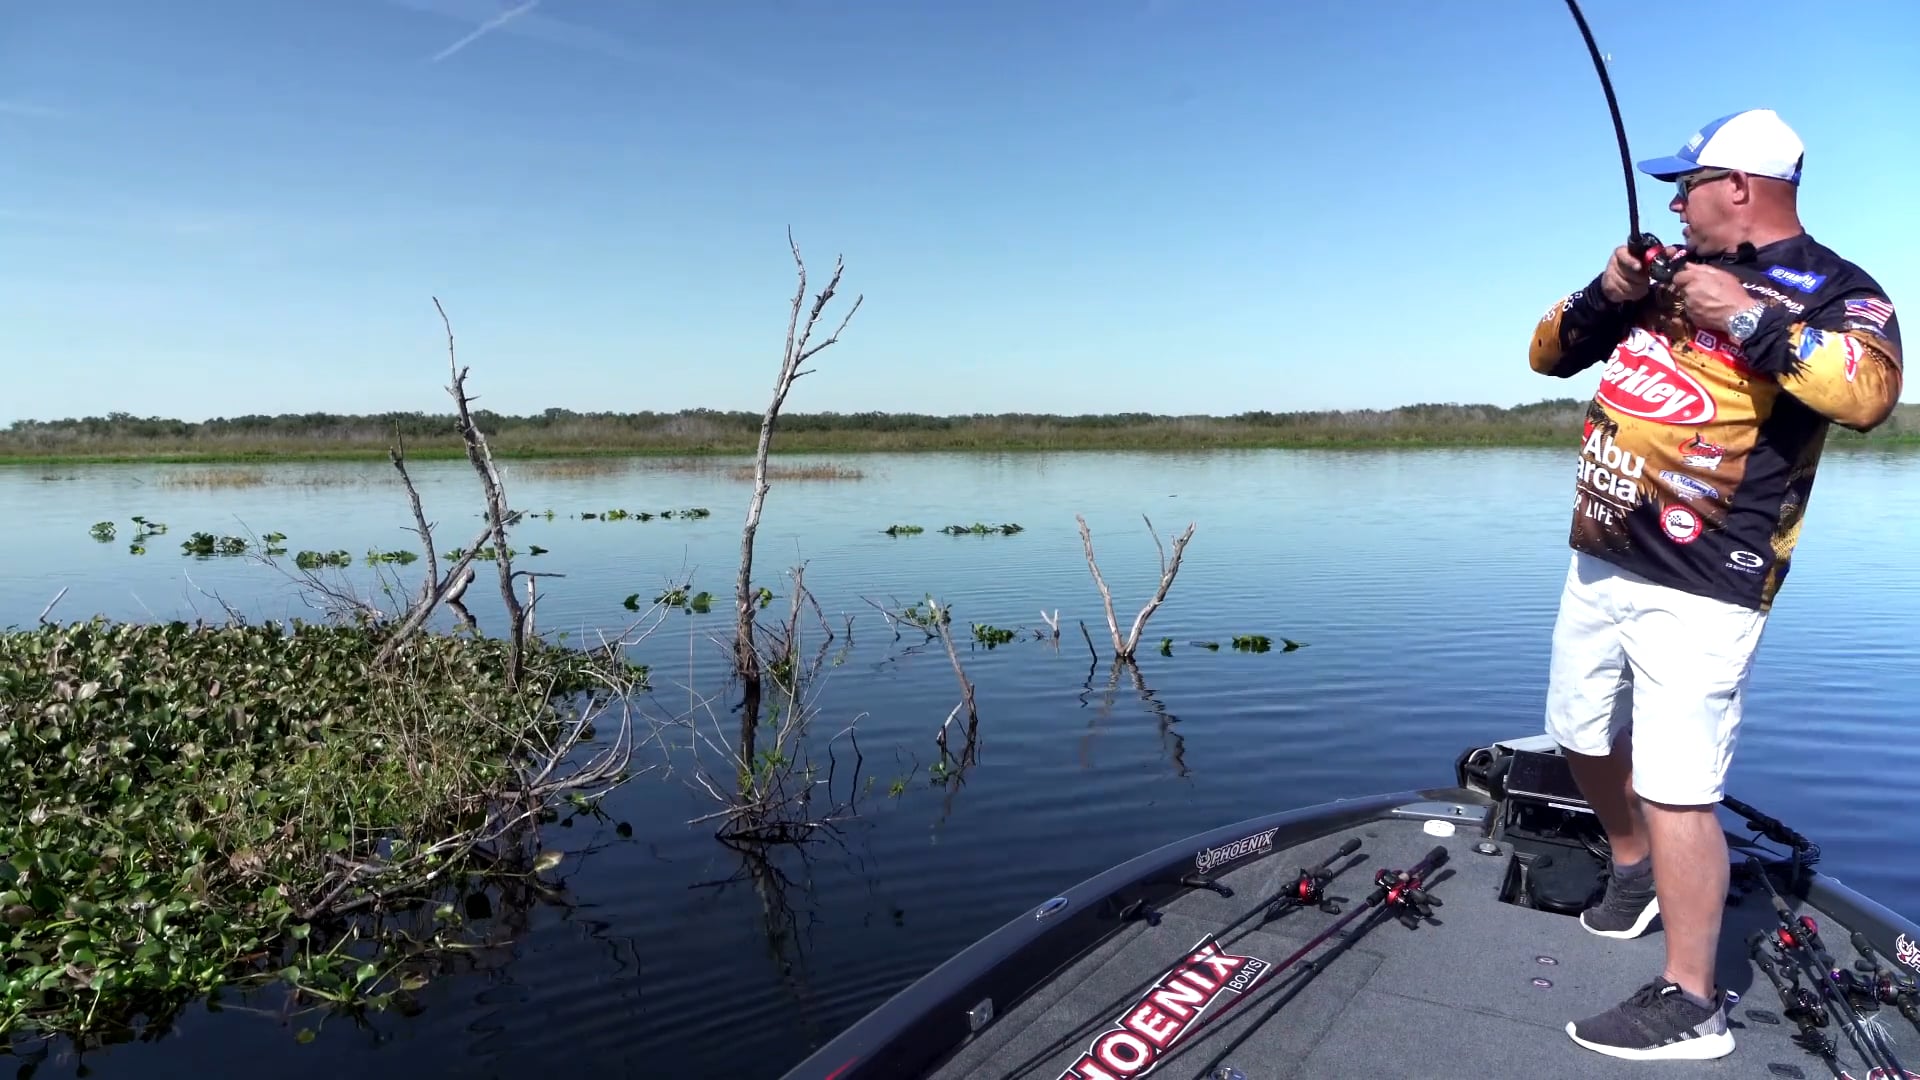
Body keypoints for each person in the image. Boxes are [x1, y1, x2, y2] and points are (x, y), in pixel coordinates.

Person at [1525, 107, 1904, 1062]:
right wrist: (1607, 291)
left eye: (1685, 186)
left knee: (1678, 784)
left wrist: (1738, 313)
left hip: (1706, 578)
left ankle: (1694, 1003)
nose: (1677, 204)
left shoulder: (1838, 288)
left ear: (1738, 185)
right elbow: (1546, 352)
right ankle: (1630, 865)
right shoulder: (1657, 279)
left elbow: (1868, 394)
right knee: (1576, 731)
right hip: (1600, 553)